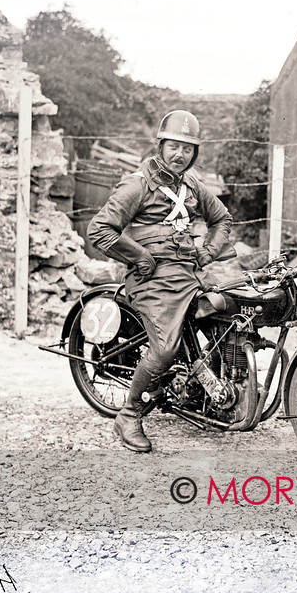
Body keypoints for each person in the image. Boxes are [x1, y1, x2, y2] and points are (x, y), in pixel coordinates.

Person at [87, 110, 233, 452]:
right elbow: (99, 229)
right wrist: (140, 257)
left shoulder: (193, 184)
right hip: (153, 279)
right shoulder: (137, 184)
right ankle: (129, 414)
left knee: (229, 313)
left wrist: (208, 253)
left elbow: (222, 219)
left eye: (187, 148)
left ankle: (203, 389)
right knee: (164, 347)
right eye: (173, 146)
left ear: (194, 153)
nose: (179, 154)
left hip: (188, 272)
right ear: (160, 145)